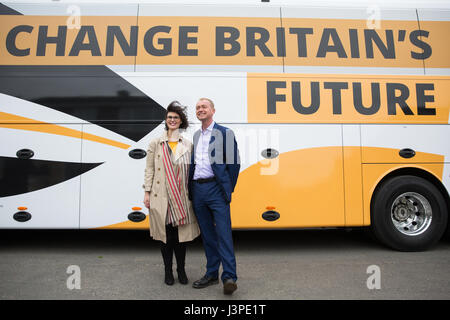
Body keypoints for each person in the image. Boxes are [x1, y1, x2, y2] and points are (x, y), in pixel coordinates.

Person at [143, 101, 200, 286]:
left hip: (181, 196)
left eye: (176, 117)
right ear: (166, 120)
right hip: (161, 196)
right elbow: (149, 169)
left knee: (180, 238)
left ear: (181, 121)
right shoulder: (155, 143)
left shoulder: (188, 144)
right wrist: (147, 192)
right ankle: (168, 271)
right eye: (169, 117)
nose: (172, 120)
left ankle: (181, 270)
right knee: (165, 237)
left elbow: (192, 172)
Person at [188, 97, 240, 295]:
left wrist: (227, 188)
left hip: (216, 190)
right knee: (208, 236)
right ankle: (211, 274)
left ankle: (229, 277)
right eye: (198, 107)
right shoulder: (195, 135)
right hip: (198, 190)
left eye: (204, 107)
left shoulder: (224, 133)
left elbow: (234, 165)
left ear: (213, 110)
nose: (200, 109)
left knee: (224, 234)